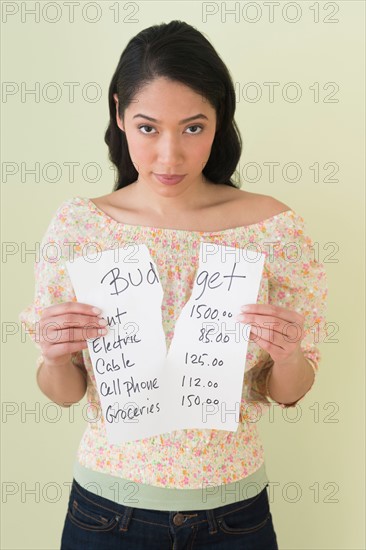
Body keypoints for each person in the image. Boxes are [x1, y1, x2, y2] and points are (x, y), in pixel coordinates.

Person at [19, 20, 328, 549]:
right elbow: (64, 393)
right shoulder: (80, 227)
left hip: (233, 512)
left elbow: (289, 390)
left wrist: (290, 354)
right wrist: (52, 358)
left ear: (219, 121)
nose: (169, 156)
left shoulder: (274, 228)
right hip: (105, 511)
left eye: (192, 128)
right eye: (147, 128)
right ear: (119, 114)